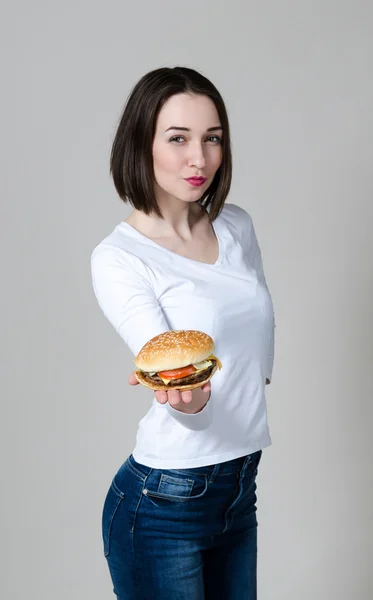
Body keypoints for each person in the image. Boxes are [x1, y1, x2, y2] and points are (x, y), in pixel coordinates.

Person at [90, 66, 275, 600]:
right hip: (165, 501)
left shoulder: (236, 225)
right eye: (178, 139)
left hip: (240, 487)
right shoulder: (120, 259)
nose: (200, 158)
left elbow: (256, 337)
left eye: (212, 138)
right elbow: (179, 386)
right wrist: (187, 400)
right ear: (141, 144)